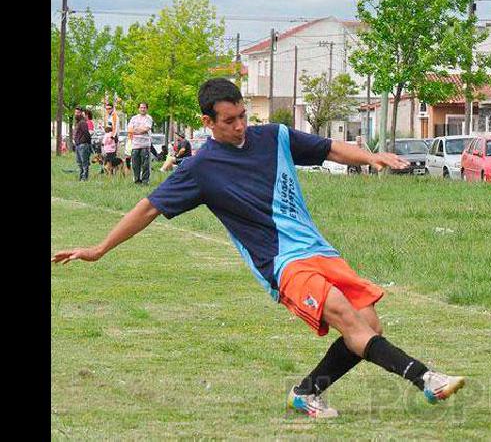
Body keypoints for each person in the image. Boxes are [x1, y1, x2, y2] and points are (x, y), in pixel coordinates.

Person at [51, 78, 466, 419]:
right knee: (345, 314)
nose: (239, 126)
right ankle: (426, 379)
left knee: (370, 326)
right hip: (281, 264)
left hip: (317, 249)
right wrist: (99, 248)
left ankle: (306, 393)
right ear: (208, 122)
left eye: (243, 116)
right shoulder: (198, 169)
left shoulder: (275, 137)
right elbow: (147, 209)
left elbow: (327, 147)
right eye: (229, 120)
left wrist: (371, 156)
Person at [127, 102, 154, 184]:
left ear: (147, 109)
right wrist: (138, 130)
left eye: (144, 107)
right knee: (135, 165)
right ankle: (137, 180)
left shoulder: (148, 118)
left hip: (145, 145)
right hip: (135, 145)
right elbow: (130, 130)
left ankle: (145, 181)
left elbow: (146, 129)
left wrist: (136, 130)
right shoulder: (134, 118)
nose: (142, 109)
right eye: (141, 107)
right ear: (138, 108)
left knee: (145, 165)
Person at [73, 112, 92, 181]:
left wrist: (89, 143)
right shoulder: (78, 123)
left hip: (83, 145)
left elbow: (86, 133)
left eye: (77, 113)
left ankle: (84, 178)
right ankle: (81, 177)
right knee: (79, 162)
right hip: (78, 145)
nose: (75, 115)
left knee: (84, 162)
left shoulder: (82, 123)